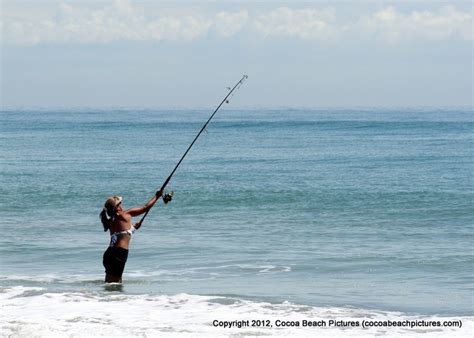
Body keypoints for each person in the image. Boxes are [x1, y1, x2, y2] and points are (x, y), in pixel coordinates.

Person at [99, 189, 172, 283]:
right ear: (116, 207)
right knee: (115, 284)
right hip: (119, 253)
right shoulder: (125, 214)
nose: (121, 205)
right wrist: (157, 196)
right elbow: (145, 208)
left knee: (111, 283)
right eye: (119, 204)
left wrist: (133, 228)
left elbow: (121, 233)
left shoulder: (110, 221)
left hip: (109, 254)